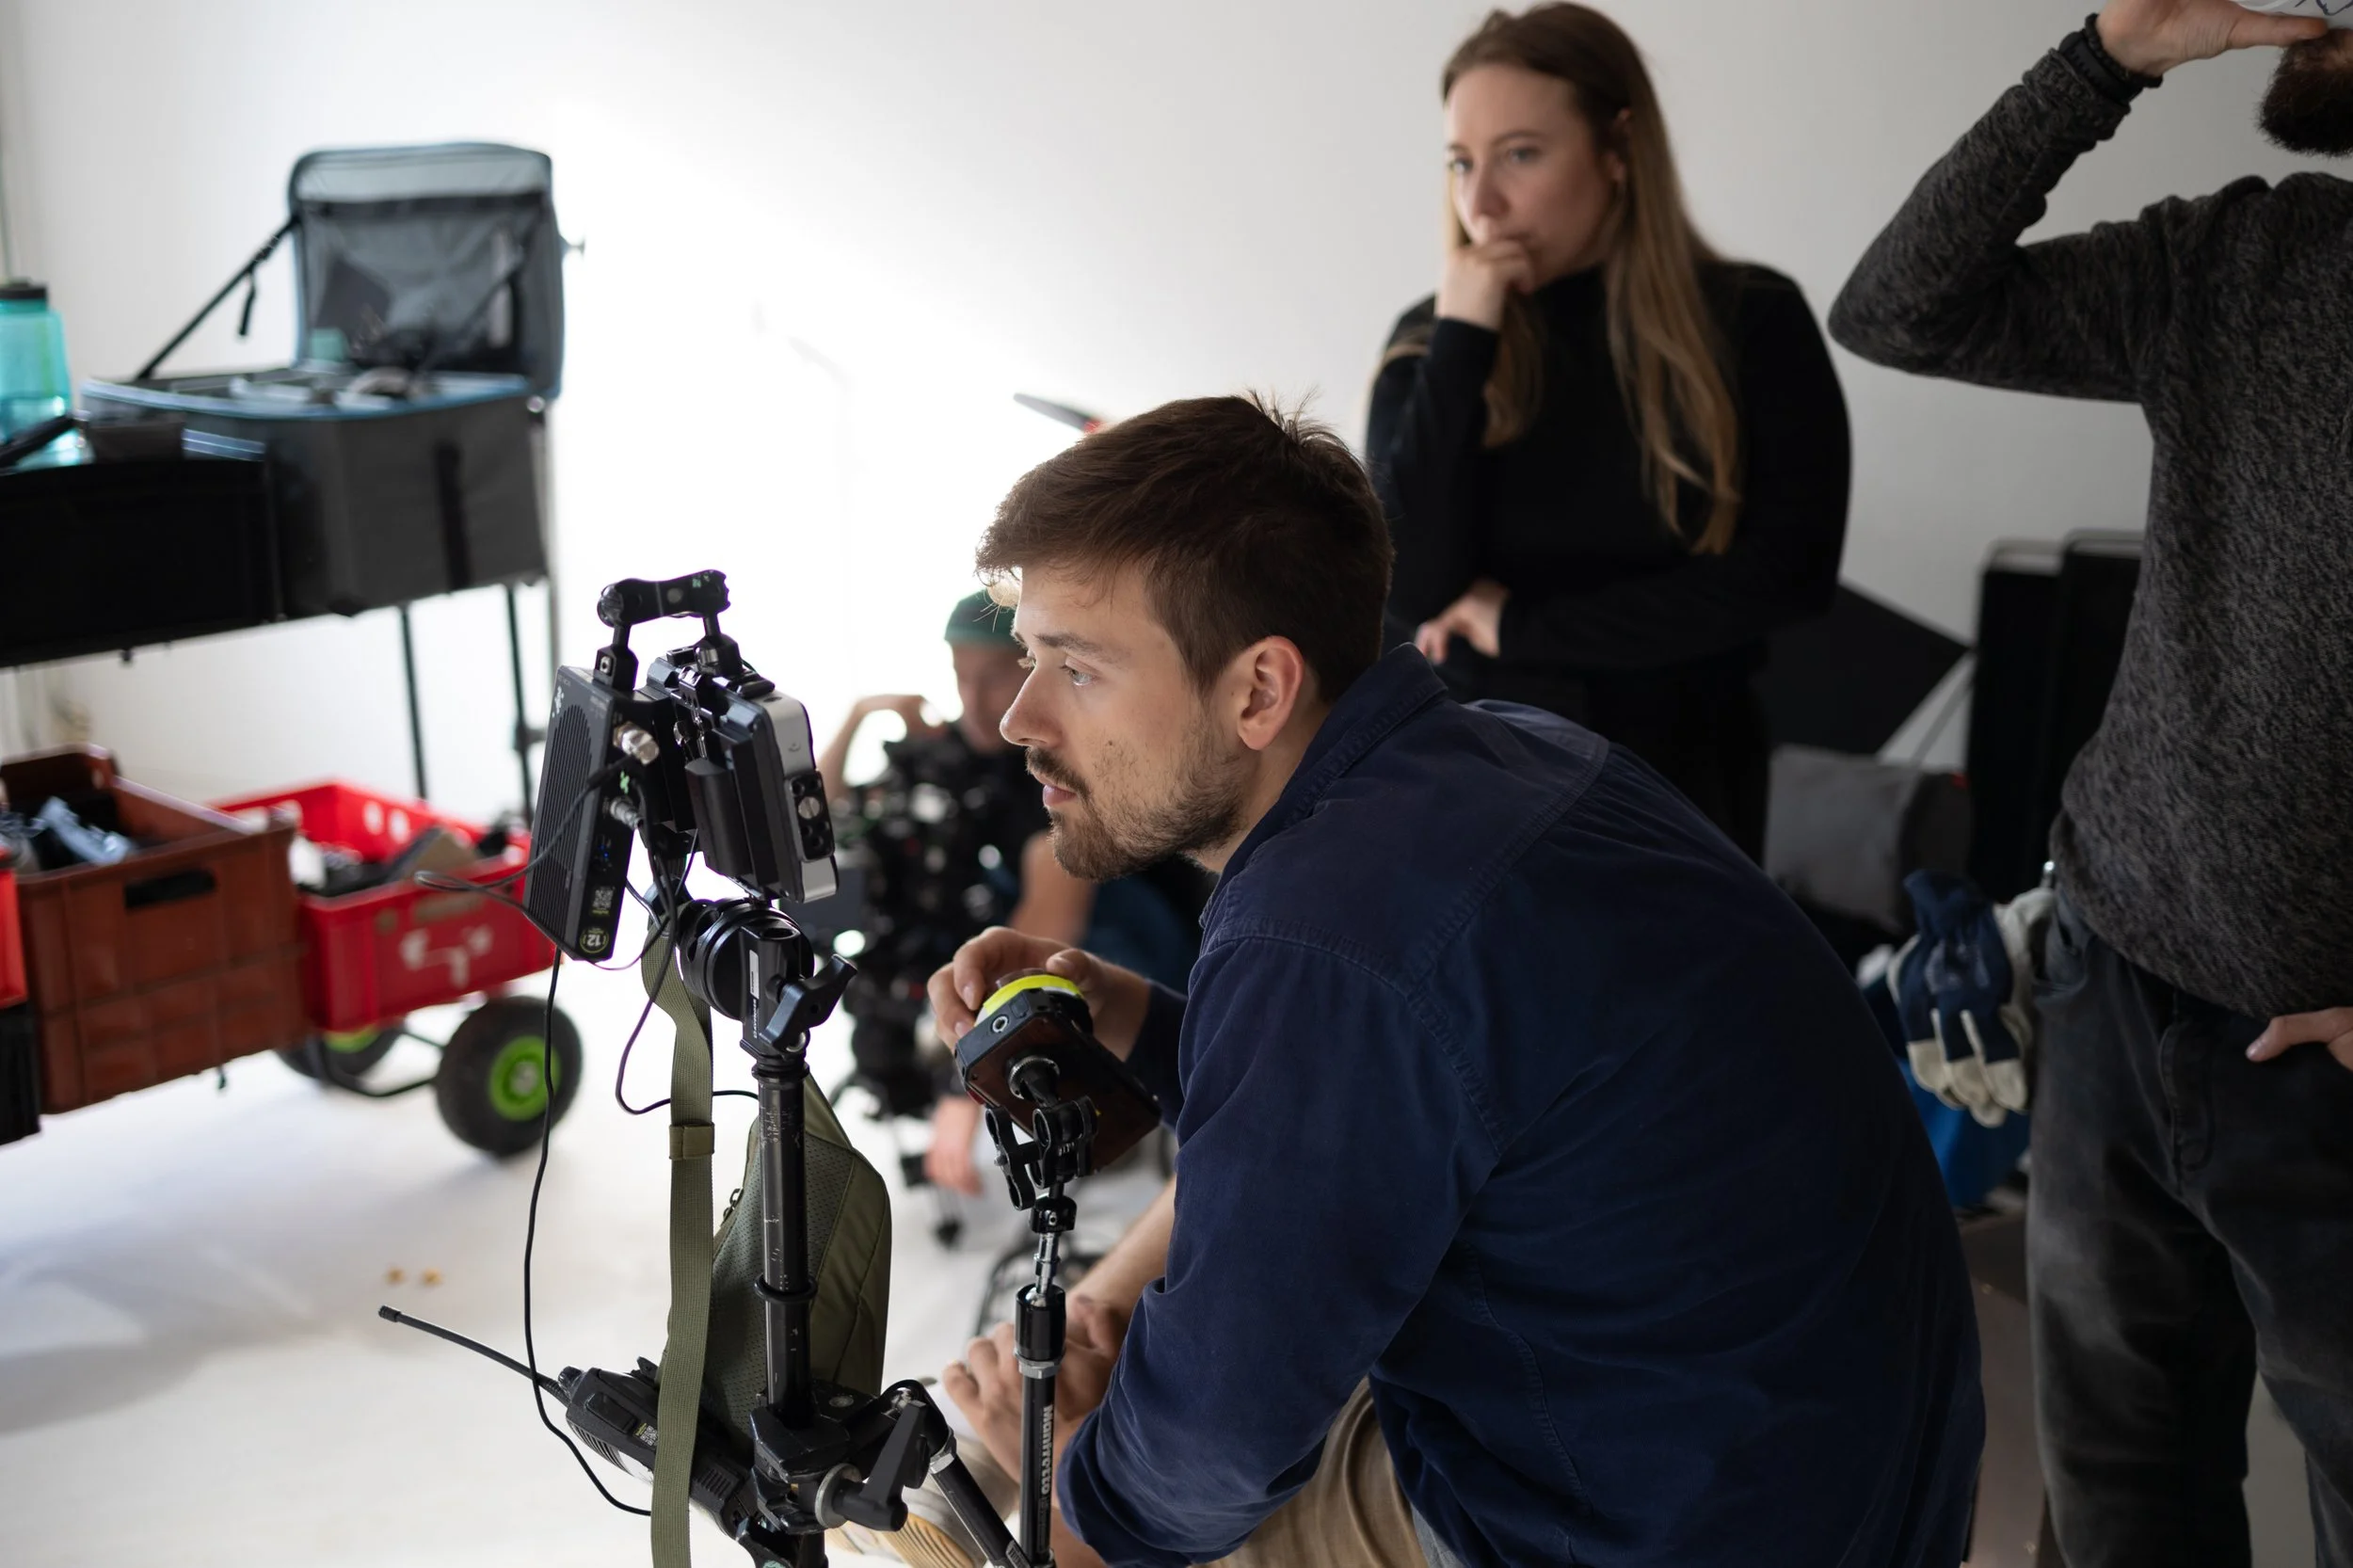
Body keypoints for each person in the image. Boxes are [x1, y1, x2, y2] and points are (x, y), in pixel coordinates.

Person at [912, 396, 1978, 1567]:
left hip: (1656, 1525)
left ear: (1259, 689)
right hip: (1826, 1452)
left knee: (980, 1525)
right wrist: (1132, 1012)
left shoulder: (1326, 935)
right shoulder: (1507, 748)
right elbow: (1395, 1098)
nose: (1019, 716)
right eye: (1029, 659)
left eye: (1076, 668)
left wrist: (1058, 1470)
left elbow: (1199, 1466)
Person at [1828, 3, 2353, 1562]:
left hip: (2332, 1075)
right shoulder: (2253, 257)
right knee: (2122, 1506)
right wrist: (2103, 57)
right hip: (2116, 985)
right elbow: (1902, 309)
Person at [1366, 3, 1850, 861]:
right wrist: (1463, 340)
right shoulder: (1432, 343)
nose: (1480, 201)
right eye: (1460, 162)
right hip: (1480, 777)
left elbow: (1787, 578)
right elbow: (1415, 584)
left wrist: (1520, 626)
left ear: (1617, 149)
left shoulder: (1752, 320)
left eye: (1520, 154)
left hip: (1684, 782)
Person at [817, 592, 1203, 1195]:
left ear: (1034, 670)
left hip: (1132, 956)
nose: (974, 701)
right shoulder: (957, 749)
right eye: (959, 676)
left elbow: (1044, 934)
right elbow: (822, 813)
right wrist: (862, 714)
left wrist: (967, 1086)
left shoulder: (1058, 771)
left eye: (995, 677)